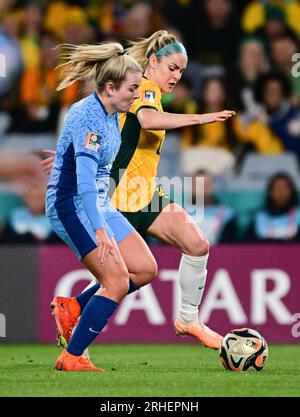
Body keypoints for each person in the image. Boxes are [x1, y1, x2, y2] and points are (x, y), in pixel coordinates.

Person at [43, 30, 235, 351]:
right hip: (121, 195)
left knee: (194, 247)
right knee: (134, 272)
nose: (177, 76)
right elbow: (147, 120)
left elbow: (105, 130)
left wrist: (72, 156)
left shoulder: (142, 91)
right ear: (153, 62)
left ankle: (78, 306)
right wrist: (201, 118)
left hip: (144, 193)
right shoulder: (143, 89)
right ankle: (79, 328)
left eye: (182, 71)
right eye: (172, 68)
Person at [46, 41, 158, 371]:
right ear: (111, 87)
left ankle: (74, 306)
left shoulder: (112, 115)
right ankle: (72, 357)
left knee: (145, 268)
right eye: (133, 88)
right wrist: (100, 230)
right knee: (117, 282)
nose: (137, 95)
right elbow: (81, 185)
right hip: (72, 206)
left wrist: (64, 155)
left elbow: (90, 161)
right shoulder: (89, 115)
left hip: (98, 203)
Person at [245, 172, 300, 242]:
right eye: (277, 188)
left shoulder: (298, 215)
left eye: (285, 188)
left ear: (291, 191)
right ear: (271, 192)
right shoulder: (260, 217)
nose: (281, 192)